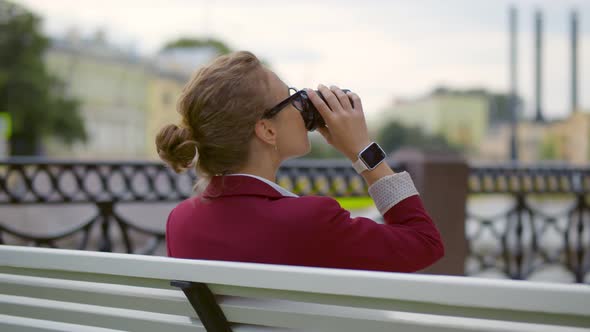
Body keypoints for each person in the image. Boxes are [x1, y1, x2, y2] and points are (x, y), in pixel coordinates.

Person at [157, 51, 444, 272]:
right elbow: (425, 243)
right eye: (291, 98)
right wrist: (362, 150)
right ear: (267, 130)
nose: (302, 106)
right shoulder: (310, 220)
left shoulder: (180, 221)